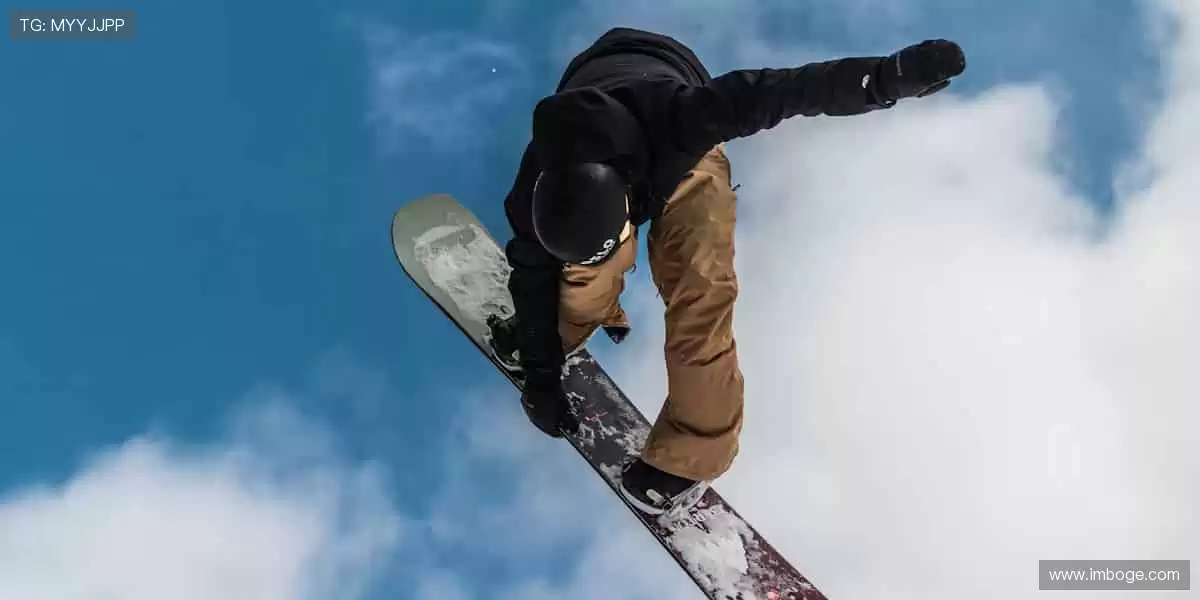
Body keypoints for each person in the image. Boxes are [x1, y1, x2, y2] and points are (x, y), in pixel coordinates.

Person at [493, 27, 966, 515]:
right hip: (598, 110)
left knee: (701, 288)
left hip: (682, 147)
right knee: (576, 271)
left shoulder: (686, 116)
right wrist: (541, 373)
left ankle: (691, 454)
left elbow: (786, 90)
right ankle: (563, 324)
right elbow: (531, 271)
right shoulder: (534, 191)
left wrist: (885, 78)